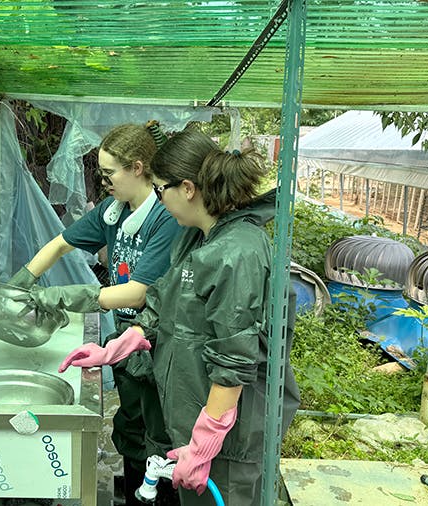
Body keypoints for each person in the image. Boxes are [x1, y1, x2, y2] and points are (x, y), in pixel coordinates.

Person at [59, 129, 301, 506]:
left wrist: (204, 444)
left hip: (230, 435)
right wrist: (119, 345)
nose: (157, 199)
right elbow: (162, 303)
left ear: (187, 188)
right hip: (193, 408)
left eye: (159, 189)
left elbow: (234, 359)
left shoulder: (236, 254)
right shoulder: (196, 237)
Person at [8, 122, 183, 506]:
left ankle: (155, 496)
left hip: (159, 342)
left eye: (109, 174)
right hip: (126, 341)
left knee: (160, 436)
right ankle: (137, 489)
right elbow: (60, 243)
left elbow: (138, 294)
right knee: (130, 425)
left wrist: (69, 296)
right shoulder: (112, 212)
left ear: (137, 168)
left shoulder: (165, 219)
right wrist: (23, 280)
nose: (103, 182)